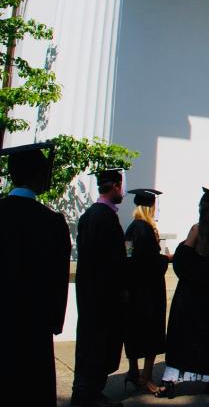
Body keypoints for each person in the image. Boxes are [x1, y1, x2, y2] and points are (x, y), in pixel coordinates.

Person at [0, 142, 70, 407]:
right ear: (39, 175)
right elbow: (58, 282)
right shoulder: (52, 223)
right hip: (34, 328)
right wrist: (54, 321)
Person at [156, 188, 209, 398]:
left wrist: (182, 249)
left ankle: (170, 381)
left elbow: (183, 261)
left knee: (182, 337)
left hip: (192, 294)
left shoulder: (197, 230)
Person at [71, 169, 127, 407]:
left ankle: (86, 391)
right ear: (115, 186)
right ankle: (89, 394)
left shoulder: (90, 215)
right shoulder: (104, 217)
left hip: (91, 294)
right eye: (121, 187)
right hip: (102, 297)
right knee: (96, 346)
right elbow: (108, 262)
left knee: (89, 344)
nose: (122, 192)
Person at [123, 189, 169, 395]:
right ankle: (146, 377)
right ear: (150, 206)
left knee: (133, 331)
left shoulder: (131, 228)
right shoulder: (145, 229)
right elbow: (148, 261)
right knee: (151, 332)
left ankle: (133, 371)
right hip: (148, 291)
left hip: (133, 288)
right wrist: (166, 259)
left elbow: (130, 258)